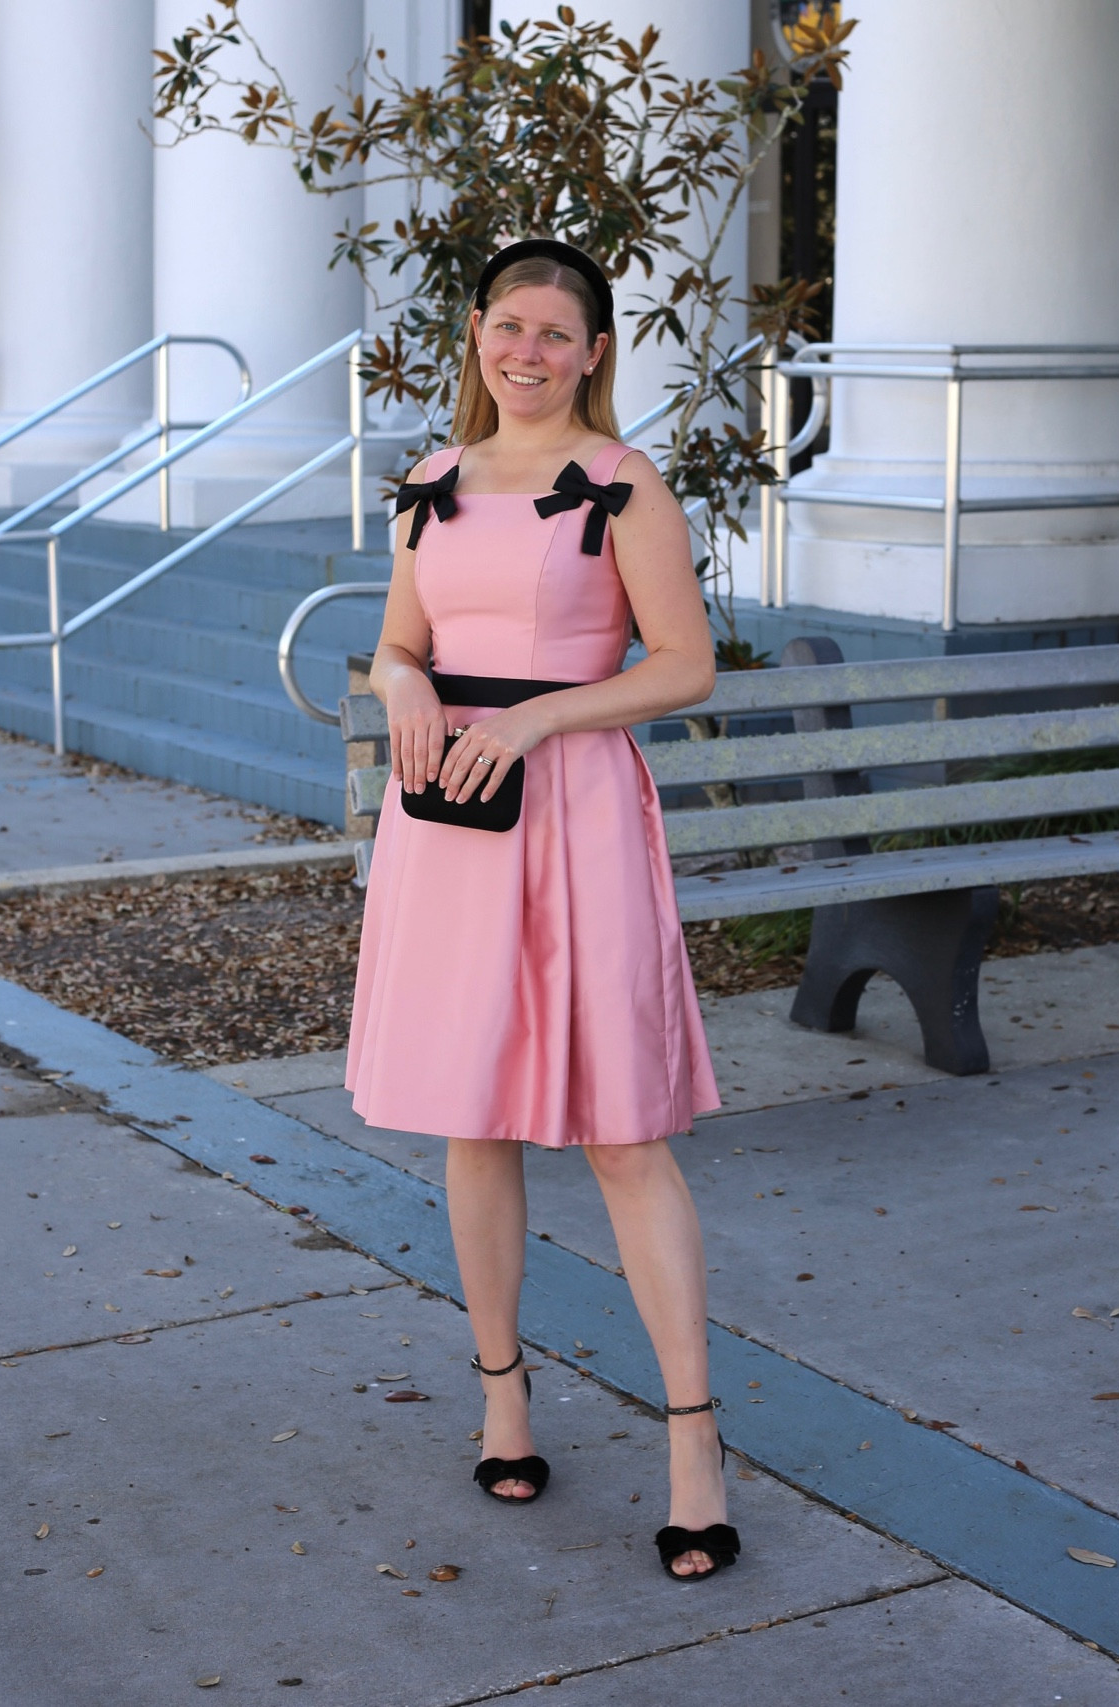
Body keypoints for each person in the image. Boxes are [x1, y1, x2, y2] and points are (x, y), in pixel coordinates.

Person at [345, 237, 737, 1581]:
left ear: (595, 352)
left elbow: (684, 667)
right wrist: (401, 686)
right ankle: (501, 1396)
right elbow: (403, 641)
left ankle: (694, 1444)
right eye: (507, 326)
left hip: (572, 815)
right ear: (474, 333)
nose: (528, 352)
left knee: (622, 1133)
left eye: (556, 333)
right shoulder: (428, 484)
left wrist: (542, 722)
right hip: (448, 820)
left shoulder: (624, 485)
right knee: (475, 1115)